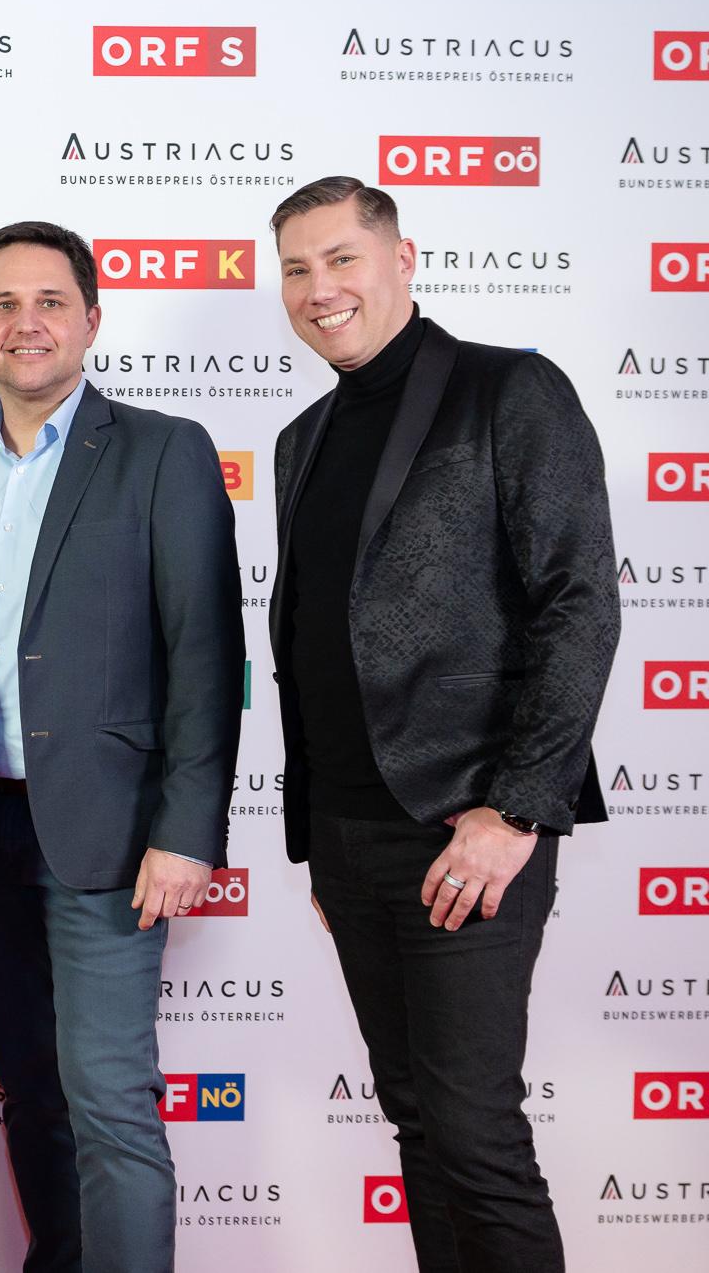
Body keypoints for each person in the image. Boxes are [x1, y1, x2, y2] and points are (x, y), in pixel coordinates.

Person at [267, 177, 617, 1273]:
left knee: (473, 1136)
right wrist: (318, 841)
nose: (319, 288)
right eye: (295, 269)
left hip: (465, 825)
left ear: (402, 258)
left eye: (341, 258)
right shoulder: (302, 437)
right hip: (349, 835)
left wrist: (515, 809)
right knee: (417, 1125)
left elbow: (579, 603)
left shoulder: (506, 390)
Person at [0, 221, 242, 1273]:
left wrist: (185, 832)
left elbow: (205, 653)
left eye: (49, 301)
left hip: (110, 834)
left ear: (91, 320)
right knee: (31, 1093)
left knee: (109, 1102)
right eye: (3, 304)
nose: (27, 323)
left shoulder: (161, 451)